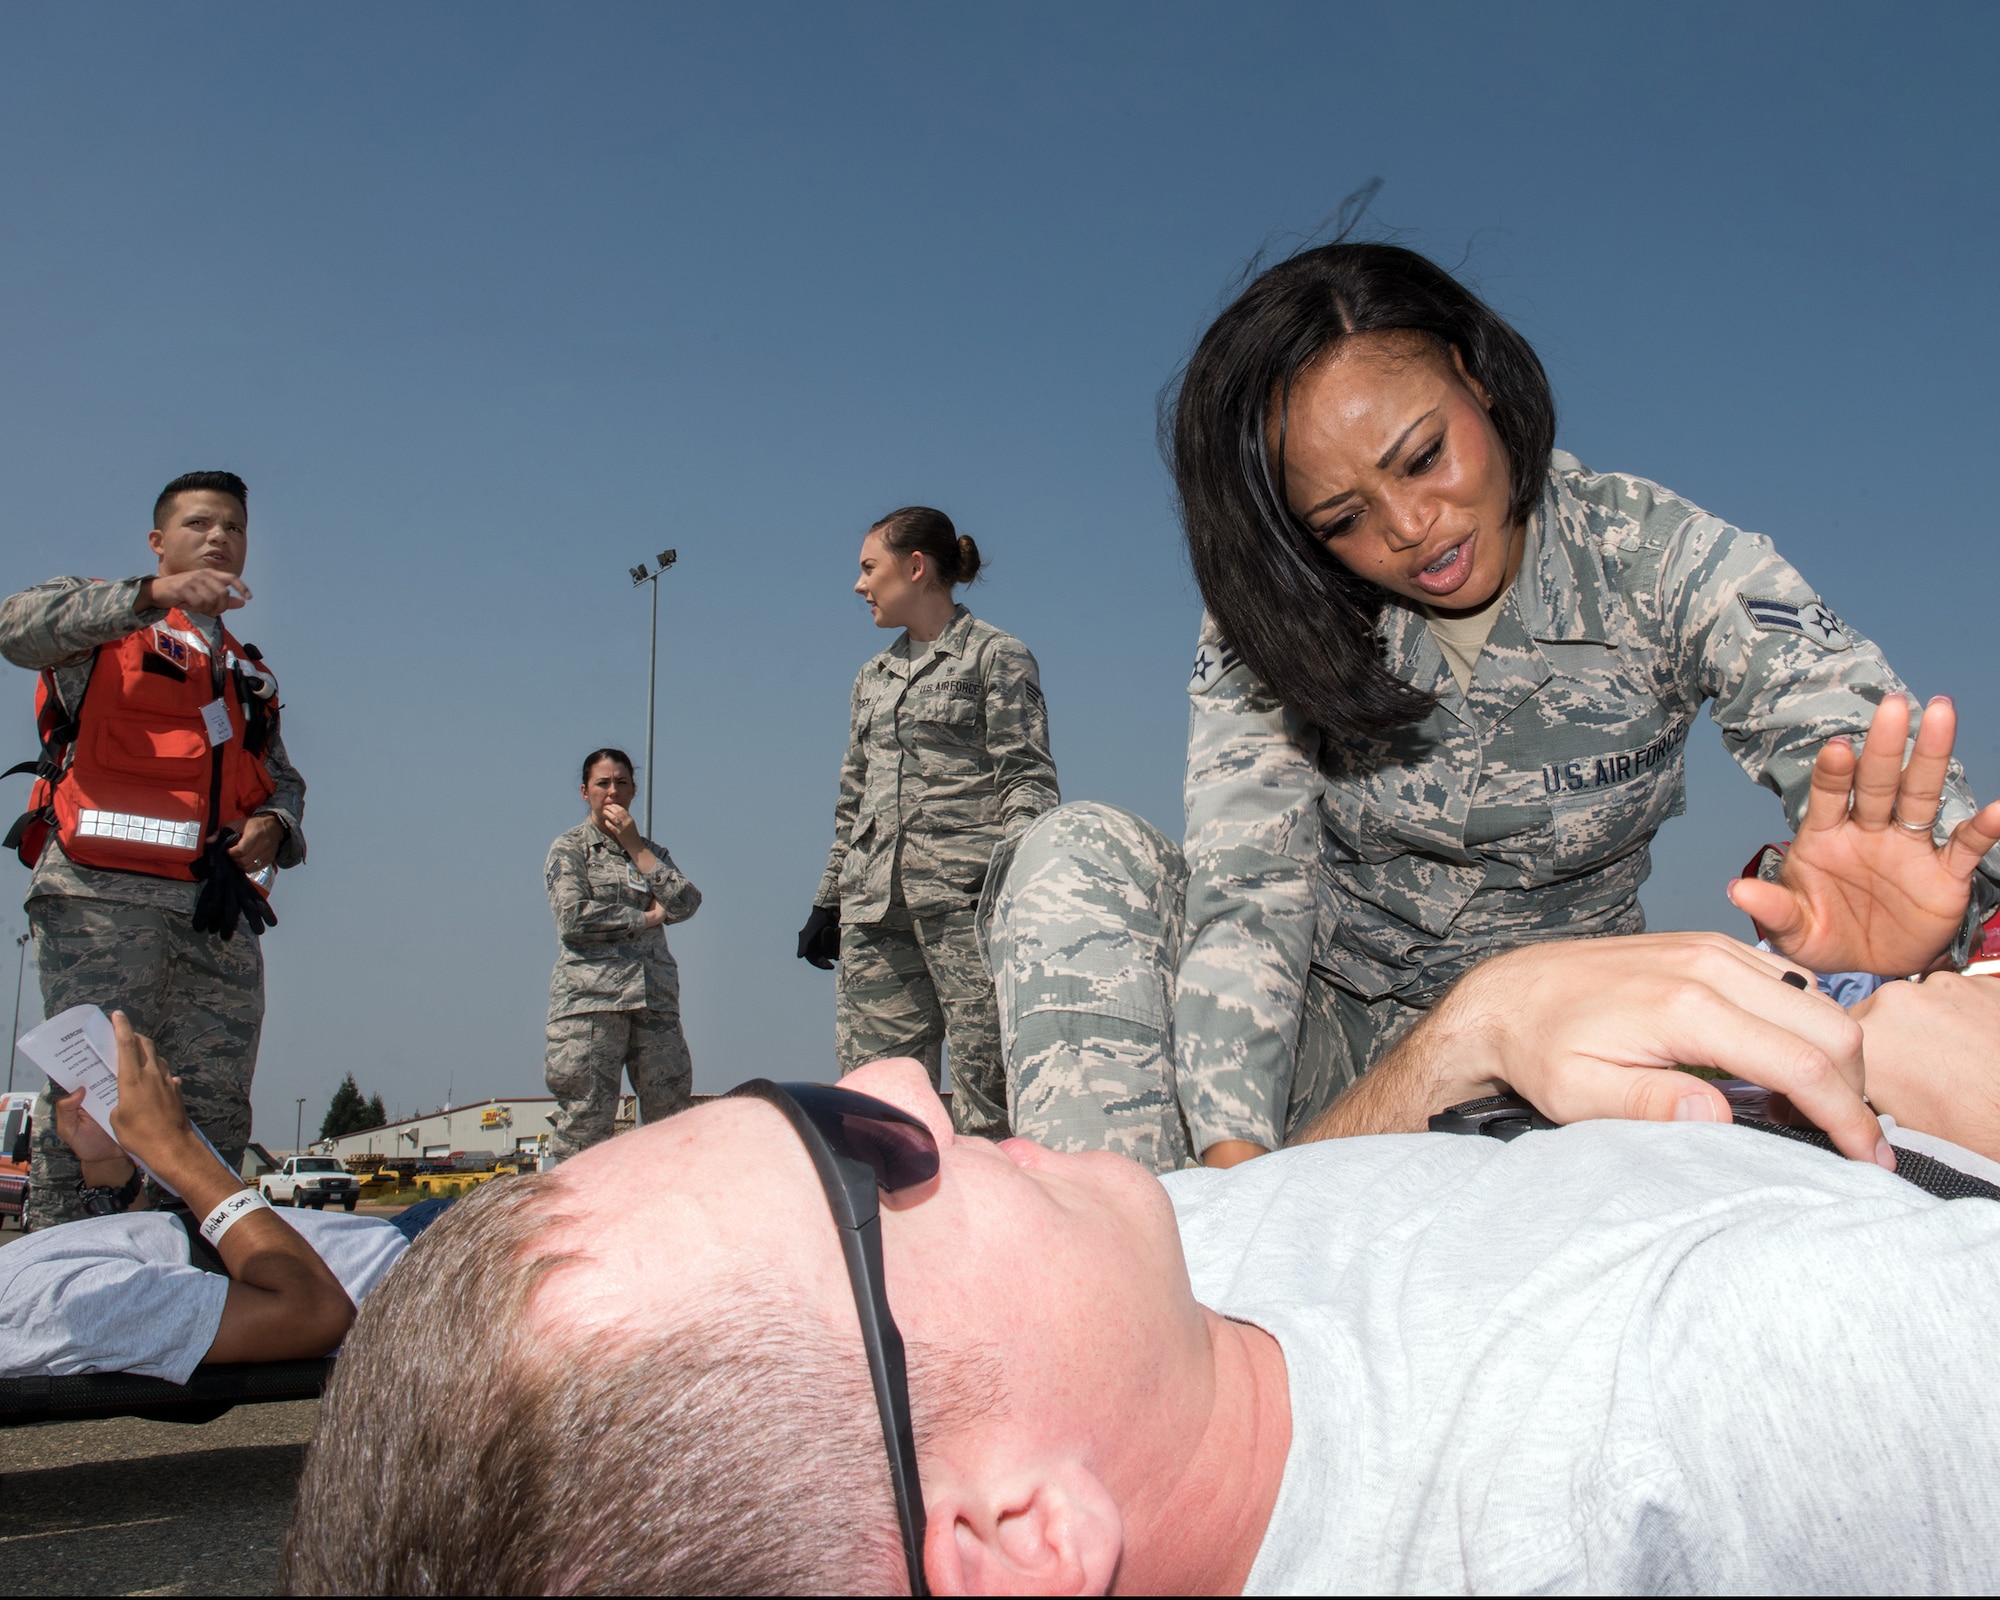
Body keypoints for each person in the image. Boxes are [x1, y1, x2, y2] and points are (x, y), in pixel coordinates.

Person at [279, 935, 2000, 1595]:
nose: (897, 1081)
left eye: (803, 1098)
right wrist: (1903, 1048)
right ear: (1021, 1534)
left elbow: (1323, 1215)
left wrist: (1467, 1039)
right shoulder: (1733, 1411)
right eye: (867, 1171)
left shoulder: (1121, 1331)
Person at [981, 241, 2000, 1172]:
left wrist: (1918, 924)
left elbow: (1856, 746)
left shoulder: (1662, 560)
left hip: (1552, 1055)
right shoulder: (1276, 610)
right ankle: (1127, 1252)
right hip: (1315, 1051)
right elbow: (1251, 892)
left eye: (1421, 457)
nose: (1411, 528)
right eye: (1342, 519)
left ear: (1474, 376)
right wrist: (1238, 1168)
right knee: (1077, 854)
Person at [1, 471, 306, 1227]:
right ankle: (65, 1273)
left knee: (211, 1109)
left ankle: (196, 1274)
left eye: (233, 528)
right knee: (93, 1100)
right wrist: (150, 594)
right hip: (105, 900)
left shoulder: (246, 672)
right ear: (159, 541)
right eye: (200, 524)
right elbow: (16, 626)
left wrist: (275, 822)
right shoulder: (106, 622)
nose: (218, 538)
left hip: (215, 915)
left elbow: (283, 778)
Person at [798, 507, 1058, 1140]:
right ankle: (896, 1232)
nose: (859, 586)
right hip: (874, 912)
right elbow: (852, 798)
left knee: (987, 1098)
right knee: (875, 1103)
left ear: (915, 567)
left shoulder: (996, 658)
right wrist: (828, 900)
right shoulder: (871, 677)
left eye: (869, 568)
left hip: (965, 909)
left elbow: (1027, 779)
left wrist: (1011, 888)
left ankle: (996, 1230)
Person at [0, 1013, 429, 1382]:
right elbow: (315, 1316)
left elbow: (155, 1268)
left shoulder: (27, 1292)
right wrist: (178, 1150)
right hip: (423, 1269)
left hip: (402, 1239)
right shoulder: (45, 1309)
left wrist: (108, 1166)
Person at [542, 747, 701, 1163]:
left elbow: (685, 903)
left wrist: (636, 848)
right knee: (586, 1122)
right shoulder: (570, 849)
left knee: (671, 1118)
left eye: (622, 783)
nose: (613, 791)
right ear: (584, 791)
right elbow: (573, 917)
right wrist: (645, 919)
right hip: (591, 1005)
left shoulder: (650, 851)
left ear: (634, 790)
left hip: (653, 1003)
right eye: (603, 783)